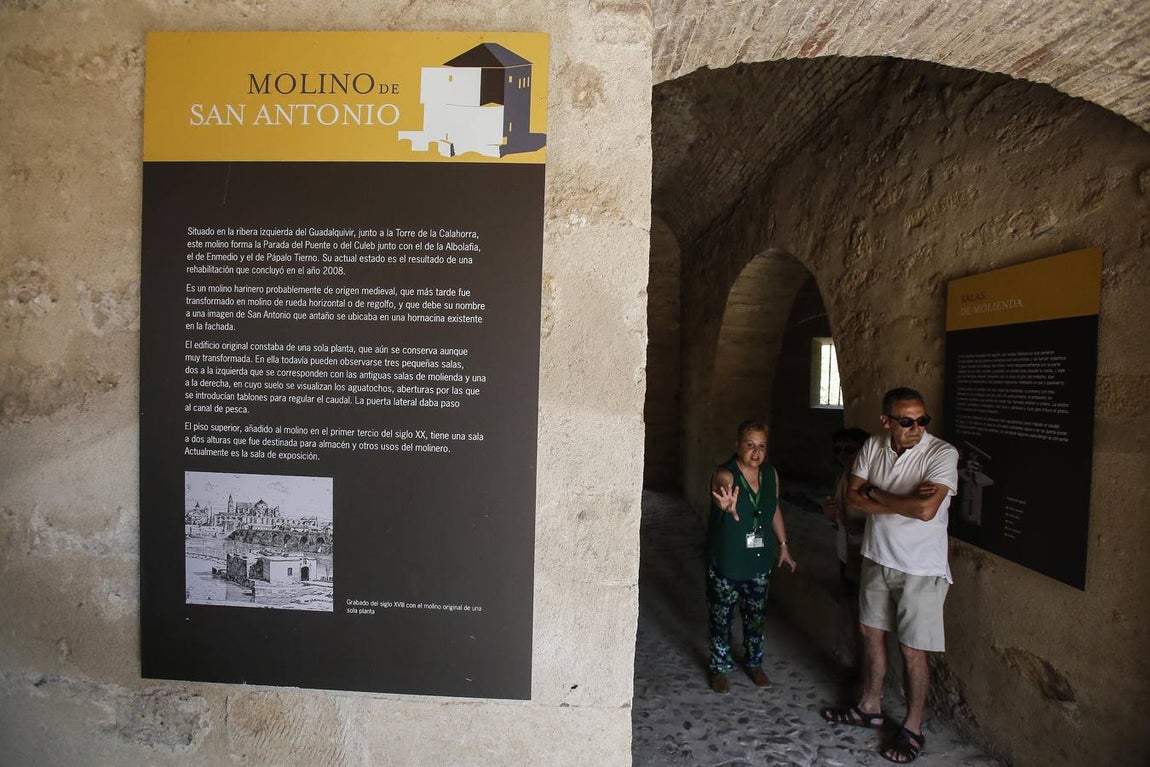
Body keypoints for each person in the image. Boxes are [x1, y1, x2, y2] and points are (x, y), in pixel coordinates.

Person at [820, 387, 959, 764]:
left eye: (921, 420)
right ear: (886, 421)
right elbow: (851, 498)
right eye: (906, 421)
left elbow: (926, 512)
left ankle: (913, 727)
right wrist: (904, 501)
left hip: (920, 567)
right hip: (877, 557)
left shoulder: (942, 453)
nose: (916, 428)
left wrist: (876, 495)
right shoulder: (874, 447)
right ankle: (870, 705)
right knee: (871, 633)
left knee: (912, 650)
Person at [706, 419, 797, 694]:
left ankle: (755, 663)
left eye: (761, 446)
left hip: (759, 559)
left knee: (755, 614)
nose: (756, 452)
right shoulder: (726, 473)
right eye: (750, 445)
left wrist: (783, 545)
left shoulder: (770, 474)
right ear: (738, 446)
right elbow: (721, 487)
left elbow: (772, 509)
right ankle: (719, 669)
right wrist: (725, 501)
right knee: (721, 616)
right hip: (728, 559)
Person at [822, 426, 871, 670]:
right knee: (850, 610)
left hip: (862, 557)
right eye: (838, 450)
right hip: (846, 554)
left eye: (850, 450)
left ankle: (862, 670)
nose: (843, 455)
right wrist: (831, 515)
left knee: (864, 618)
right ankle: (850, 662)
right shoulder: (844, 477)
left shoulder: (868, 480)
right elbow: (840, 519)